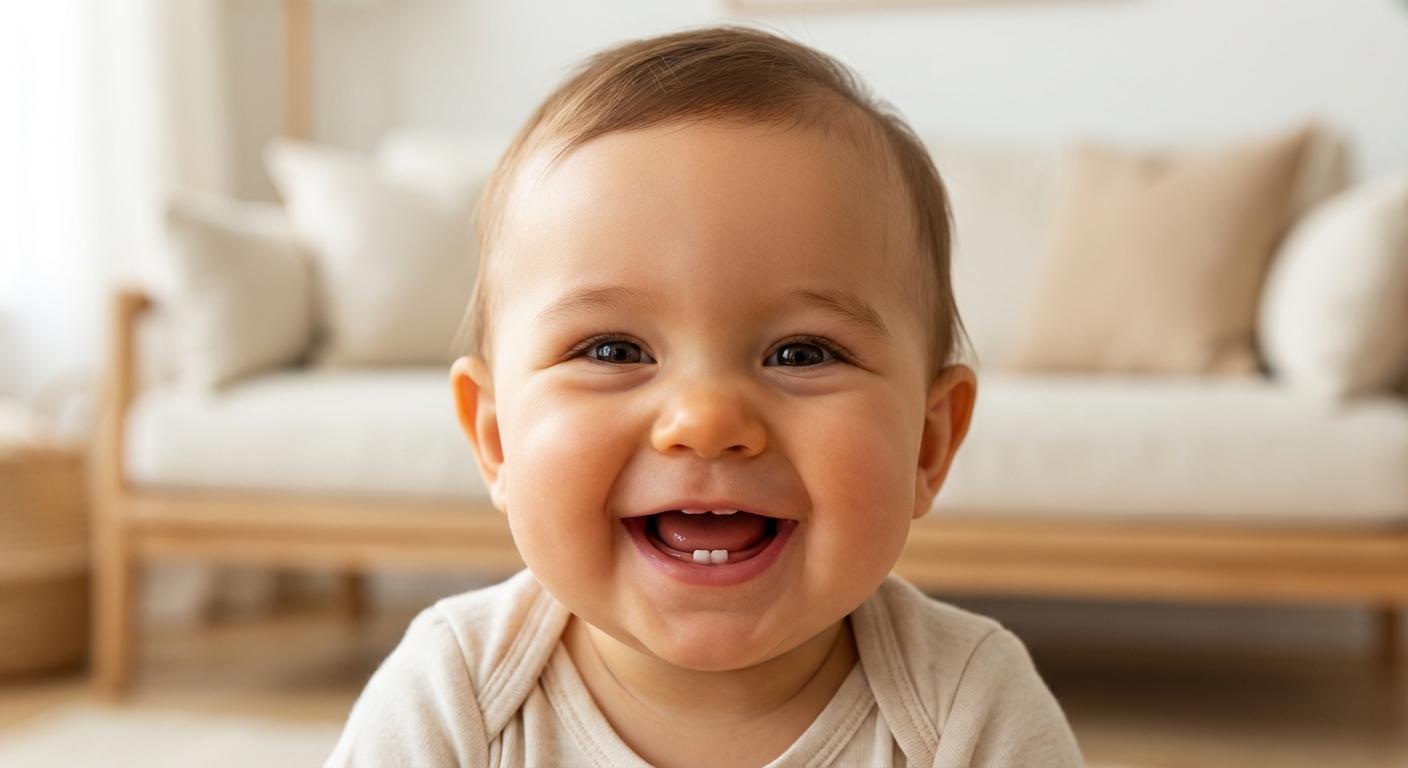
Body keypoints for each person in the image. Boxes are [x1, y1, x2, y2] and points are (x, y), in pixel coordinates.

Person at [326, 23, 1085, 768]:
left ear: (929, 443)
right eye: (614, 350)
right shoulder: (452, 695)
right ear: (495, 440)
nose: (707, 419)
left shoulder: (968, 704)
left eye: (800, 353)